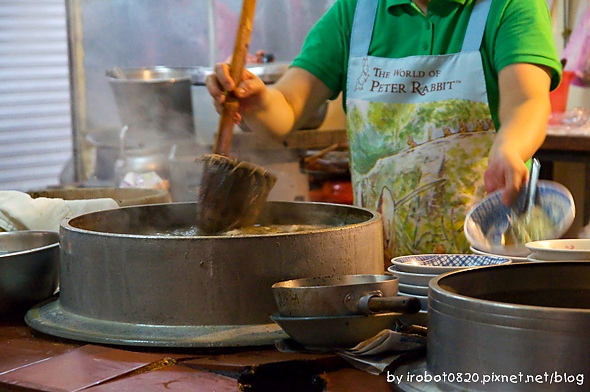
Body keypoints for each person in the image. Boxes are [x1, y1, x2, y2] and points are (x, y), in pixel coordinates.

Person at [206, 0, 562, 261]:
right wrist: (256, 101)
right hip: (383, 270)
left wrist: (510, 149)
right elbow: (286, 109)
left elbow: (526, 101)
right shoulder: (355, 12)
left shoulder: (510, 6)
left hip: (488, 261)